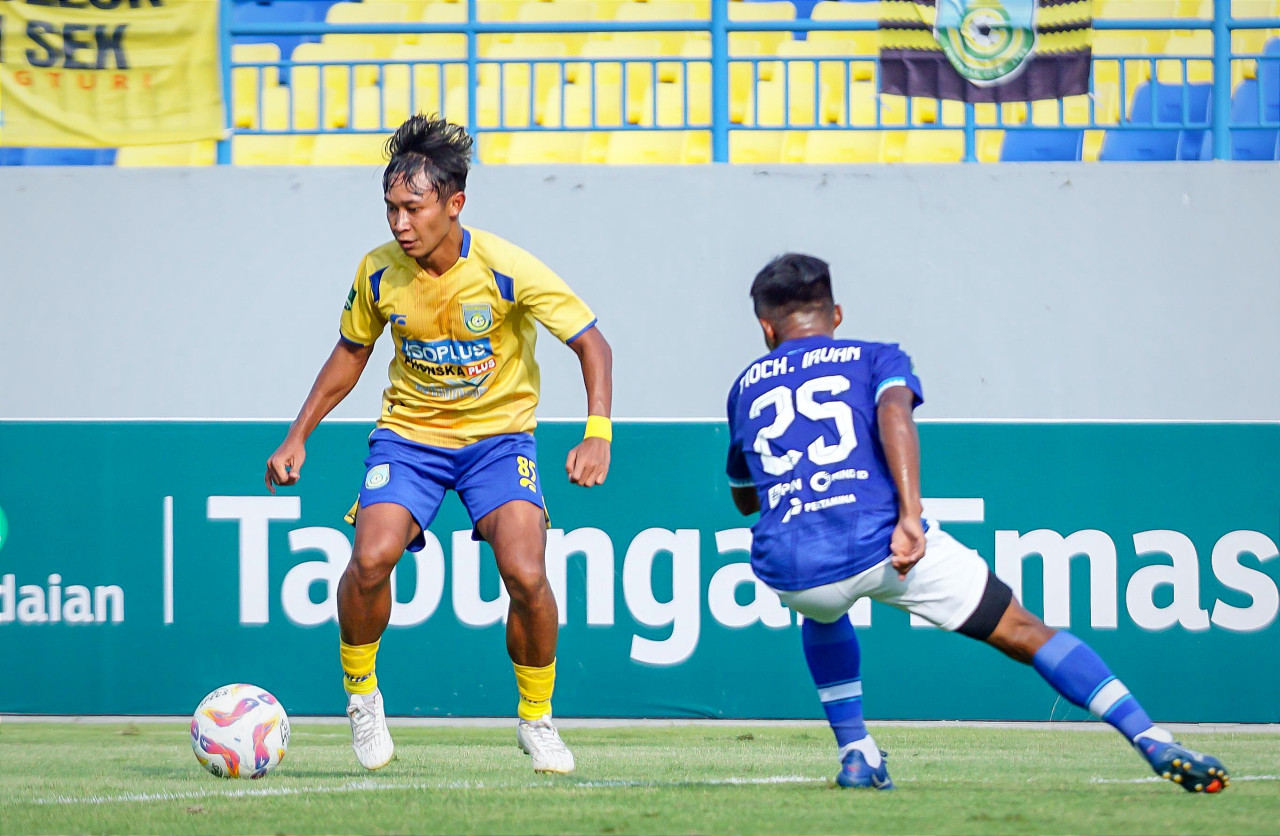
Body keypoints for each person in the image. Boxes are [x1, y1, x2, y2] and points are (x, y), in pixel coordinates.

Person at [724, 253, 1228, 793]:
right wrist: (910, 515)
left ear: (767, 328)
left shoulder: (745, 387)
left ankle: (856, 751)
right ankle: (1150, 737)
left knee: (822, 609)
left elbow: (745, 499)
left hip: (791, 568)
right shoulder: (875, 356)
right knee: (1023, 630)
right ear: (837, 314)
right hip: (880, 545)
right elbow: (894, 412)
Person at [265, 114, 613, 774]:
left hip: (498, 440)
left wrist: (598, 432)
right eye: (390, 207)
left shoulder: (505, 267)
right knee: (370, 559)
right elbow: (351, 352)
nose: (400, 223)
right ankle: (362, 698)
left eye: (413, 208)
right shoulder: (378, 271)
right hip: (409, 439)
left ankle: (537, 719)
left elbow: (592, 343)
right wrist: (297, 435)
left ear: (455, 204)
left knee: (527, 574)